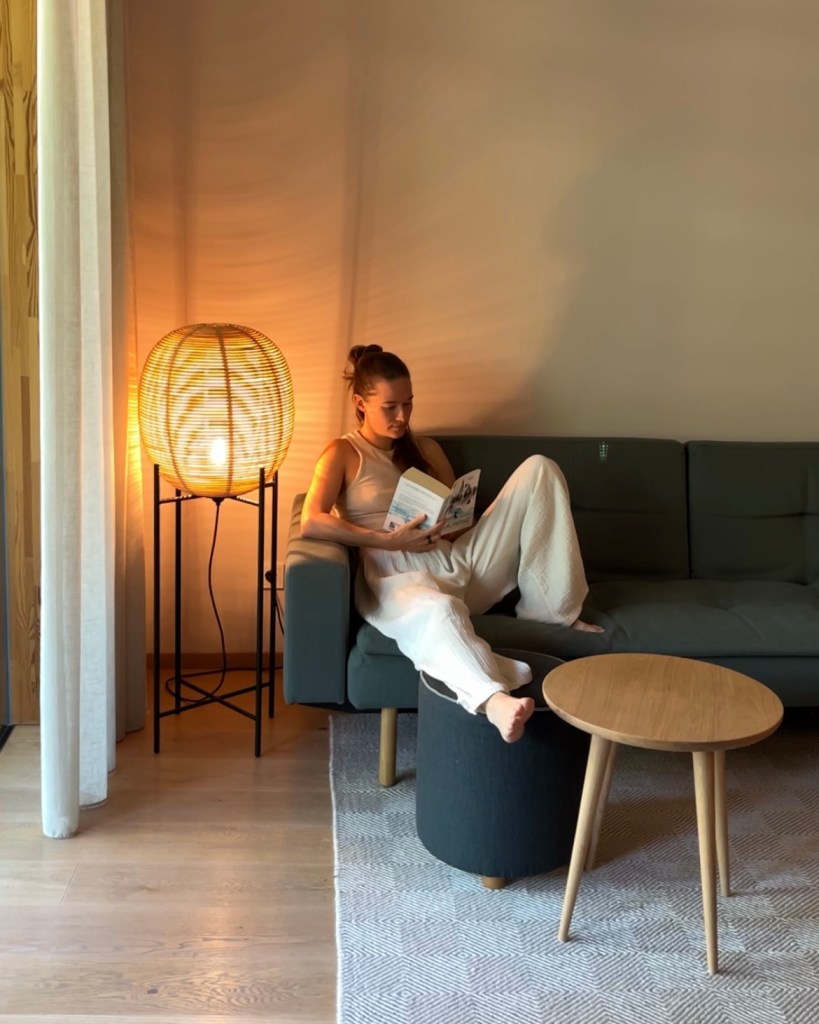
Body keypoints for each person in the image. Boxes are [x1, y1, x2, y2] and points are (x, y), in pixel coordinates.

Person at [300, 344, 603, 743]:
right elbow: (311, 521)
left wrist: (452, 523)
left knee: (539, 469)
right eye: (390, 407)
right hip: (397, 576)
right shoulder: (343, 452)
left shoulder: (425, 449)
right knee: (440, 610)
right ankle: (494, 700)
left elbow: (461, 526)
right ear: (360, 403)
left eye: (408, 403)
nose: (402, 416)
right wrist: (387, 540)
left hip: (456, 562)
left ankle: (552, 610)